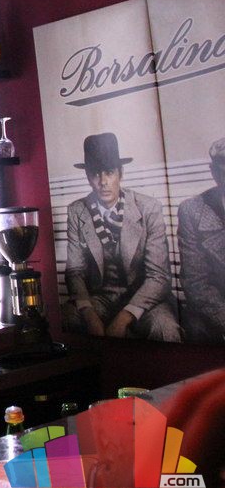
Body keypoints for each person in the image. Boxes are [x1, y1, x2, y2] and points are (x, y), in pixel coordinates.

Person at [62, 133, 181, 341]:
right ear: (88, 177)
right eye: (95, 174)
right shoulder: (76, 211)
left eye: (109, 172)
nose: (103, 182)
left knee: (165, 329)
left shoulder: (148, 208)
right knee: (68, 318)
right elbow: (74, 272)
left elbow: (159, 276)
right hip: (99, 299)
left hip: (145, 298)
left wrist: (124, 318)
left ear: (121, 173)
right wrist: (89, 315)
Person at [178, 137, 225, 344]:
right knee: (196, 327)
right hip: (216, 311)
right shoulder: (192, 211)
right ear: (213, 172)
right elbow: (195, 283)